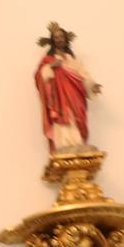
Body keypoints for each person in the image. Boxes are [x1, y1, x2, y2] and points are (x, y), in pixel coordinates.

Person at [34, 21, 100, 154]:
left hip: (74, 96)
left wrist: (92, 86)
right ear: (52, 40)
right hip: (58, 98)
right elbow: (39, 76)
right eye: (56, 37)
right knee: (62, 117)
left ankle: (77, 142)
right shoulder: (48, 60)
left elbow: (83, 75)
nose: (59, 39)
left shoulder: (72, 59)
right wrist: (51, 67)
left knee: (75, 118)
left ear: (65, 39)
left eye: (61, 37)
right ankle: (63, 144)